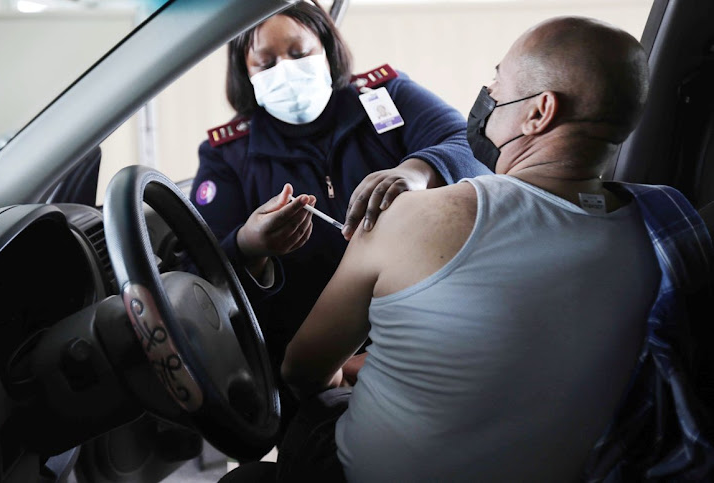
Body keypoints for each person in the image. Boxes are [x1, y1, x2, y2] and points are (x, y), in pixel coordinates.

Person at [277, 16, 714, 482]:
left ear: (539, 112)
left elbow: (302, 370)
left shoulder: (417, 217)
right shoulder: (660, 233)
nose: (487, 97)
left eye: (498, 87)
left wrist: (350, 376)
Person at [190, 0, 489, 400]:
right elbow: (199, 268)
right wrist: (250, 244)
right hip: (306, 369)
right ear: (245, 73)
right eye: (266, 63)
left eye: (299, 54)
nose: (287, 70)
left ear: (327, 51)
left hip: (425, 341)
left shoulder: (385, 96)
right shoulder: (228, 153)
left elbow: (472, 147)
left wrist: (414, 172)